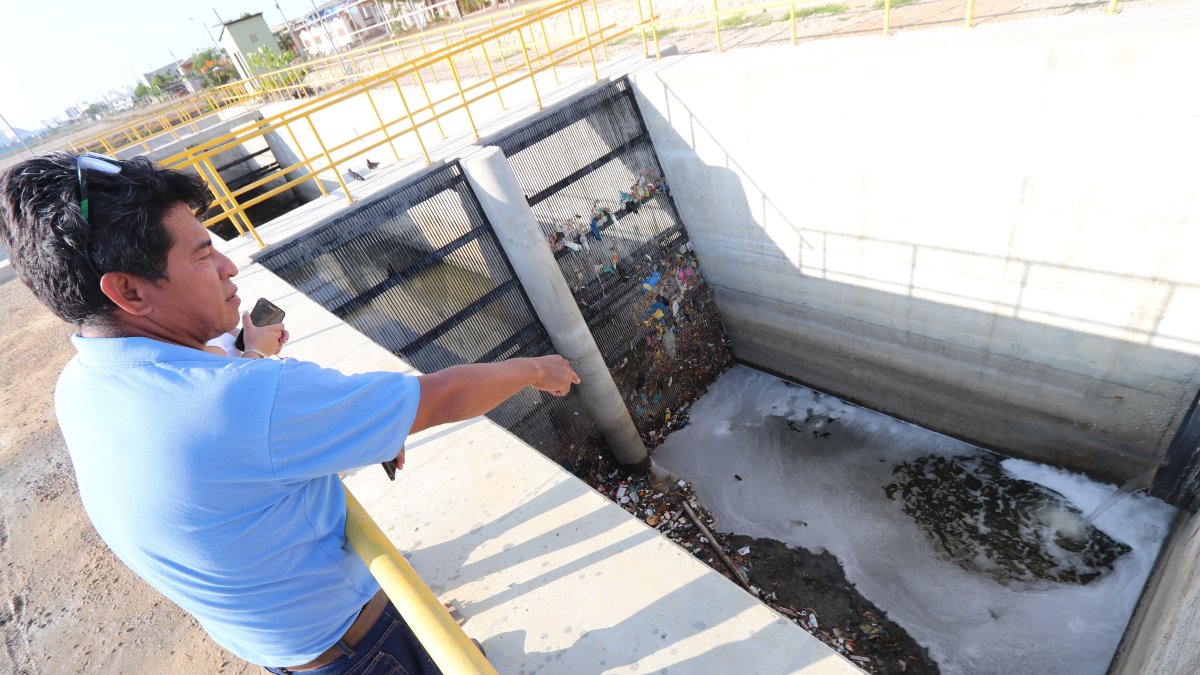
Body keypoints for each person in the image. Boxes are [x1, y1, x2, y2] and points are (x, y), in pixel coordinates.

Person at [0, 153, 580, 674]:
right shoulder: (246, 402)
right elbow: (444, 398)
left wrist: (248, 354)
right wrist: (536, 369)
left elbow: (201, 412)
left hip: (278, 649)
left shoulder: (79, 384)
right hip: (361, 651)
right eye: (203, 255)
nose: (229, 267)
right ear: (129, 291)